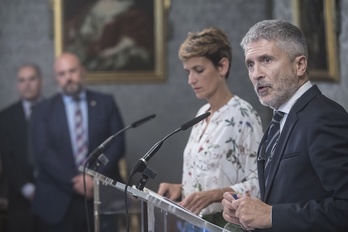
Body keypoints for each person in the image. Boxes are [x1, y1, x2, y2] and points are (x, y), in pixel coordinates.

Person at [221, 19, 348, 232]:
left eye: (266, 60)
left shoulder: (325, 118)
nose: (256, 74)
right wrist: (246, 212)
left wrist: (270, 215)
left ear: (300, 65)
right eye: (250, 64)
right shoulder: (278, 120)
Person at [157, 27, 263, 229]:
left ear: (222, 66)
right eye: (188, 72)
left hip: (225, 225)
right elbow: (210, 175)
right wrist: (182, 189)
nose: (191, 80)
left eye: (198, 70)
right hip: (192, 223)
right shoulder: (202, 112)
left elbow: (260, 184)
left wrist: (215, 195)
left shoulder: (243, 115)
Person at [29, 52, 125, 232]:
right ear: (56, 78)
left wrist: (92, 177)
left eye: (72, 71)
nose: (68, 78)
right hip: (58, 198)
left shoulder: (105, 102)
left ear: (82, 71)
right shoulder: (43, 110)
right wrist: (76, 181)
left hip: (101, 197)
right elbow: (42, 152)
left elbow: (118, 143)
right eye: (62, 74)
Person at [0, 64, 47, 232]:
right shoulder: (5, 116)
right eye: (22, 80)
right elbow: (7, 158)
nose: (27, 84)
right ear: (17, 85)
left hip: (55, 197)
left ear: (41, 81)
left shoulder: (57, 110)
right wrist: (27, 189)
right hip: (20, 200)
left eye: (32, 79)